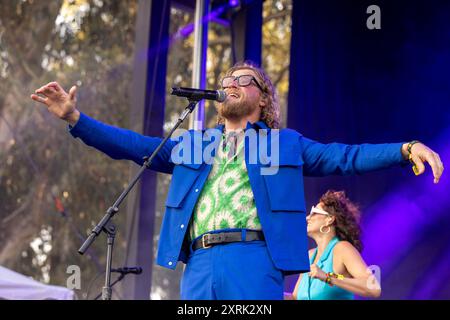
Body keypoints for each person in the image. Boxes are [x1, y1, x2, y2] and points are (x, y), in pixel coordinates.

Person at [30, 61, 444, 300]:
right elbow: (137, 146)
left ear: (262, 97)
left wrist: (404, 148)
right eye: (226, 79)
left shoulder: (285, 144)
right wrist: (76, 120)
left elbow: (345, 156)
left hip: (254, 259)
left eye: (242, 80)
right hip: (200, 262)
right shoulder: (197, 144)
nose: (229, 83)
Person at [287, 190, 380, 300]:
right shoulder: (309, 256)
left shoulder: (343, 249)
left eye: (314, 212)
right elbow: (295, 297)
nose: (307, 217)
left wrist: (328, 276)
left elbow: (373, 288)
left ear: (329, 219)